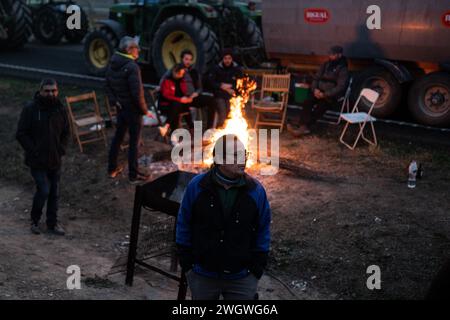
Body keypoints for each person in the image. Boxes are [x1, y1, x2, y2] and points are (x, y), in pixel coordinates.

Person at [176, 134, 271, 300]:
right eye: (236, 155)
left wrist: (256, 269)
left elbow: (263, 229)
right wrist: (187, 264)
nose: (243, 160)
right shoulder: (197, 187)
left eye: (245, 154)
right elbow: (184, 222)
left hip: (241, 278)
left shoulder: (255, 191)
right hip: (202, 276)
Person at [16, 78, 70, 235]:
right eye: (47, 91)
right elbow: (21, 133)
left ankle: (52, 224)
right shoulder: (31, 109)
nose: (50, 94)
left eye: (53, 91)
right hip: (37, 160)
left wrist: (61, 149)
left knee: (54, 192)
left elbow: (66, 132)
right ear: (40, 91)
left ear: (57, 91)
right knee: (44, 190)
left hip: (55, 159)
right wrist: (34, 150)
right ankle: (34, 221)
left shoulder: (60, 109)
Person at [106, 36, 153, 184]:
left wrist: (116, 101)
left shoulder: (113, 61)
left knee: (118, 138)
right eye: (136, 47)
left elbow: (107, 85)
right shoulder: (132, 67)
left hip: (122, 109)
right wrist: (145, 111)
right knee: (134, 142)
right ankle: (134, 174)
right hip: (133, 111)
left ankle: (111, 169)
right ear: (128, 50)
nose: (138, 50)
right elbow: (137, 94)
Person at [288, 45, 349, 136]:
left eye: (333, 55)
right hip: (318, 91)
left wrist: (325, 94)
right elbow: (316, 78)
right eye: (330, 54)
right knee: (307, 101)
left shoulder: (343, 69)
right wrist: (315, 89)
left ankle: (304, 126)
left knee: (320, 107)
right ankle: (303, 126)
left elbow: (340, 86)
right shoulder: (325, 65)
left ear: (339, 55)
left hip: (330, 96)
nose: (330, 56)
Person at [159, 49, 216, 130]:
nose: (188, 62)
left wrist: (196, 93)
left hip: (193, 97)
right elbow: (164, 80)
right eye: (186, 59)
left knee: (211, 100)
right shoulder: (176, 69)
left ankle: (209, 129)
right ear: (182, 59)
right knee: (177, 106)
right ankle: (180, 129)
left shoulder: (194, 71)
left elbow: (199, 87)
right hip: (181, 98)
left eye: (190, 59)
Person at [208, 49, 243, 128]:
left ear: (232, 59)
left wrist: (232, 87)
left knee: (231, 112)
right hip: (219, 95)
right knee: (223, 112)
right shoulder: (216, 68)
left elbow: (240, 82)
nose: (227, 60)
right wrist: (221, 86)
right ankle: (219, 131)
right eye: (225, 58)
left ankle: (229, 130)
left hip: (231, 95)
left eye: (229, 58)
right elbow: (211, 82)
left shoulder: (236, 69)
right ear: (222, 59)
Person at [158, 63, 194, 137]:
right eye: (180, 73)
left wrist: (187, 98)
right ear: (174, 71)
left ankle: (191, 128)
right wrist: (180, 99)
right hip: (166, 104)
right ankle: (167, 127)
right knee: (176, 105)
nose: (181, 75)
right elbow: (166, 96)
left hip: (177, 105)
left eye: (182, 73)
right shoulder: (167, 81)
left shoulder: (182, 81)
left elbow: (184, 92)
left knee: (184, 105)